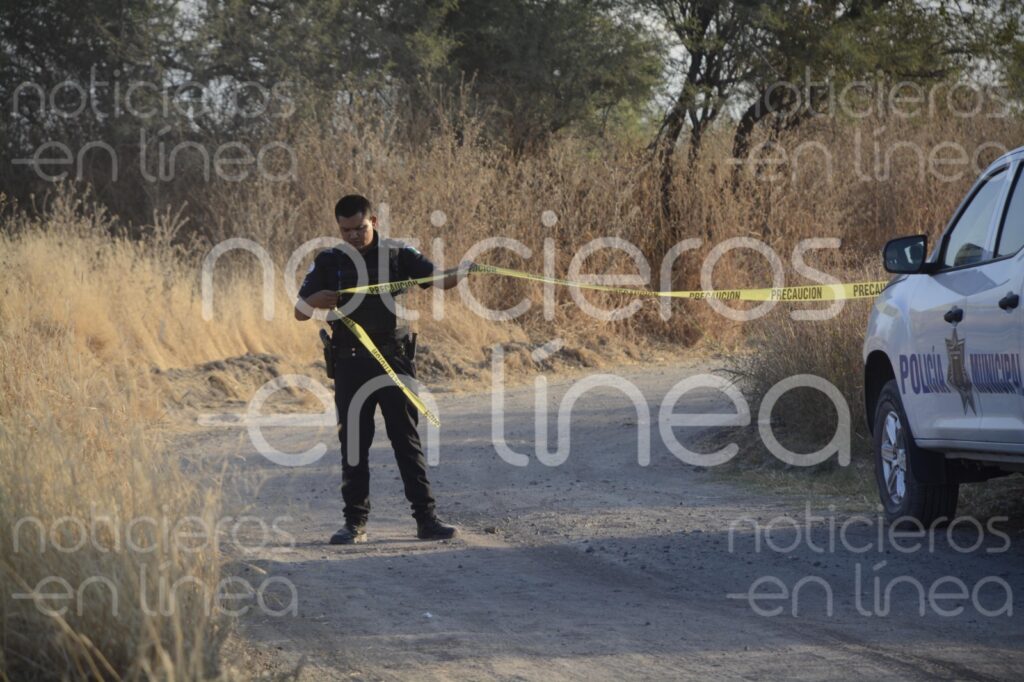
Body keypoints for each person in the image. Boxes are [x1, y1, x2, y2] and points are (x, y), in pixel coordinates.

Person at [295, 194, 471, 544]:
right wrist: (315, 301)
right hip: (350, 363)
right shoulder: (329, 261)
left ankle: (427, 520)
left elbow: (437, 280)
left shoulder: (397, 253)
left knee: (406, 440)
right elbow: (300, 310)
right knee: (354, 443)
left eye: (359, 228)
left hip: (394, 360)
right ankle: (354, 524)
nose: (354, 236)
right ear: (338, 228)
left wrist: (463, 273)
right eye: (346, 230)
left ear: (373, 220)